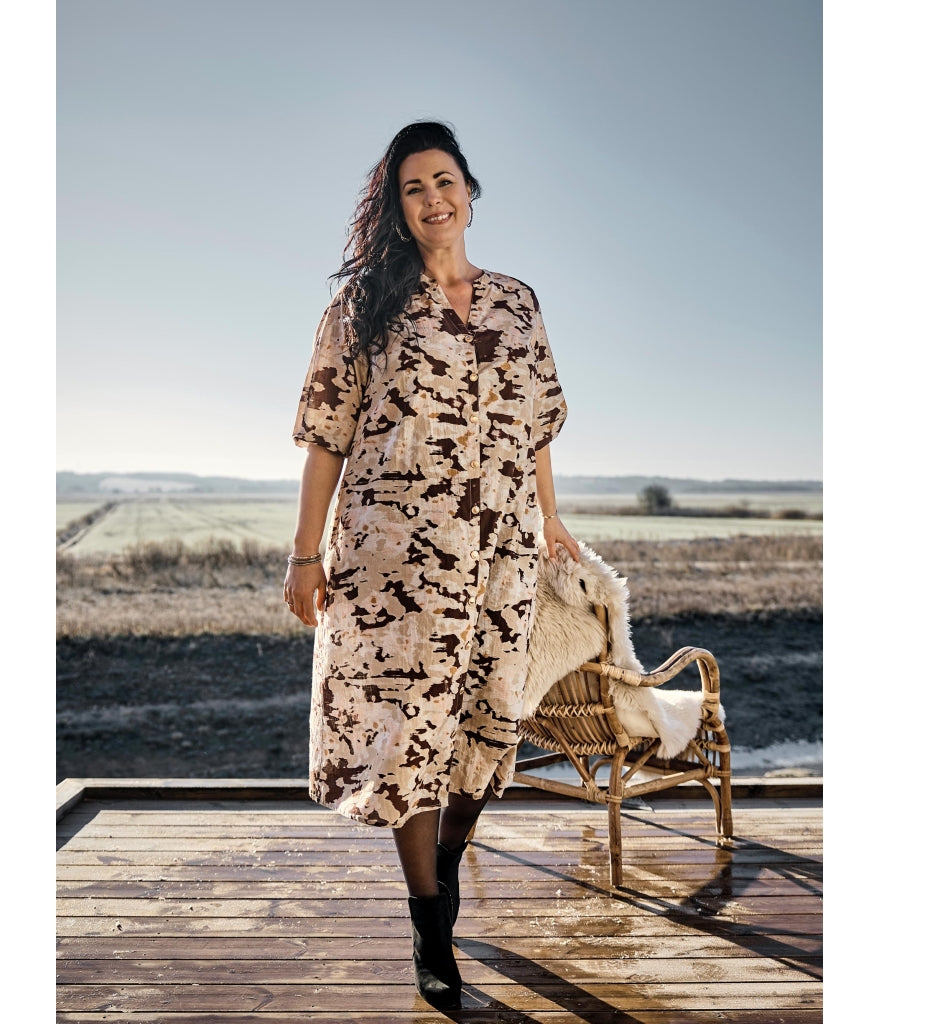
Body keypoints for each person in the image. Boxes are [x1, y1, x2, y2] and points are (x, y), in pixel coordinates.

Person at [284, 120, 580, 1010]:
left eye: (444, 180)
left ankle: (447, 862)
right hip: (394, 567)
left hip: (501, 556)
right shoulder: (361, 308)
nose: (433, 199)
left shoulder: (517, 304)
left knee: (491, 722)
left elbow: (536, 425)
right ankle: (428, 926)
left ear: (469, 191)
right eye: (414, 188)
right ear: (397, 208)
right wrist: (304, 553)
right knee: (405, 733)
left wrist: (552, 519)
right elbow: (326, 437)